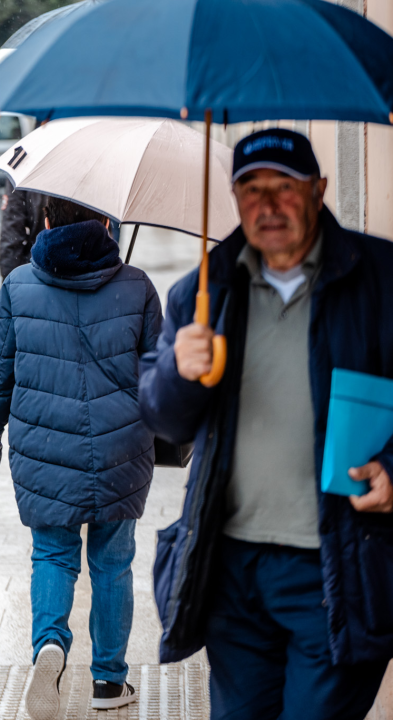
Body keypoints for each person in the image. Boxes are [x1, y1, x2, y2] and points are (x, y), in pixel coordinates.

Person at [139, 128, 393, 720]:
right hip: (232, 571)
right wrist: (179, 371)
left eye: (286, 187)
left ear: (319, 190)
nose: (268, 205)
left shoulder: (381, 279)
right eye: (251, 189)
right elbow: (163, 420)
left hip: (338, 565)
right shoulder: (204, 291)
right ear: (234, 198)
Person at [0, 196, 163, 719]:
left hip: (44, 450)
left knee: (52, 556)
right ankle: (108, 682)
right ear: (106, 222)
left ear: (46, 222)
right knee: (113, 564)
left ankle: (49, 647)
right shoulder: (137, 285)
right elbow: (160, 376)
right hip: (122, 449)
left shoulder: (18, 285)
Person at [0, 181, 49, 278]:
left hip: (38, 270)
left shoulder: (24, 171)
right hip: (83, 272)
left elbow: (11, 234)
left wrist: (10, 282)